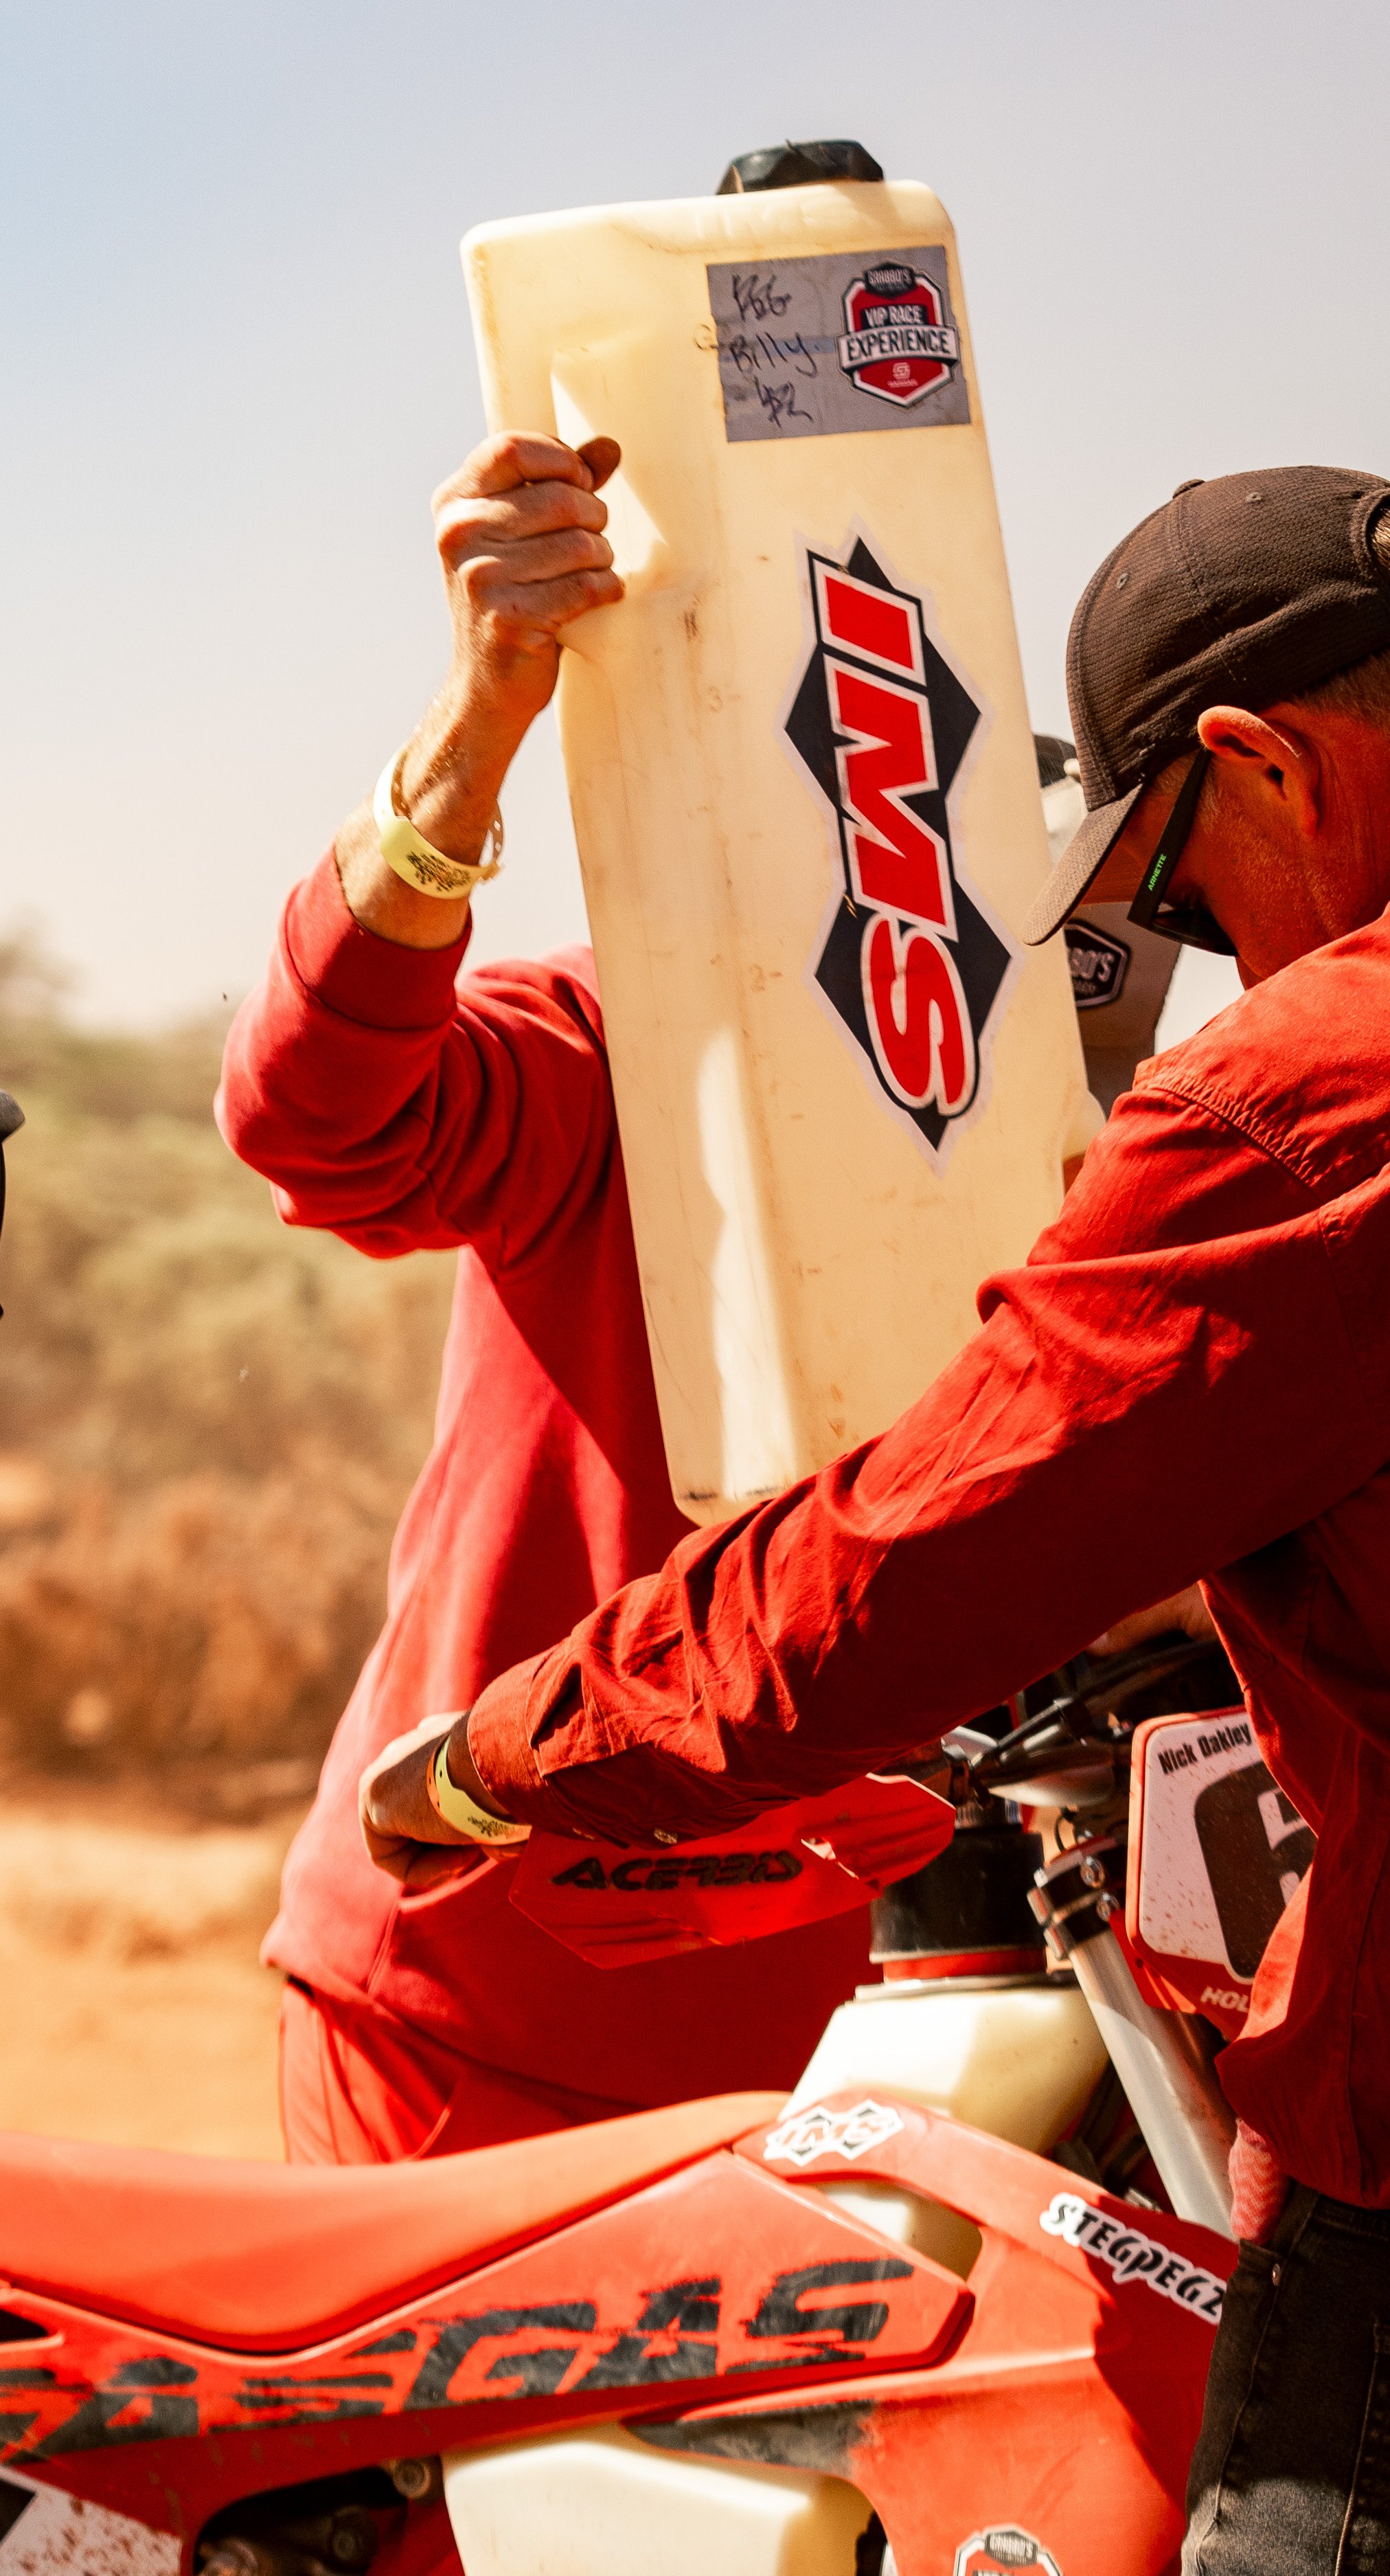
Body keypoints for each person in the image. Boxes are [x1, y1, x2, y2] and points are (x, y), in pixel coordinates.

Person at [367, 464, 1390, 2568]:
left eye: (1174, 897)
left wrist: (501, 1749)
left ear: (1267, 764)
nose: (1191, 967)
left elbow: (927, 1547)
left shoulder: (1337, 1087)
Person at [218, 430, 886, 2160]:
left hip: (895, 2059)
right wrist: (479, 723)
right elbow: (319, 1118)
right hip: (478, 2025)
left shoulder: (1103, 1135)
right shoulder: (625, 1048)